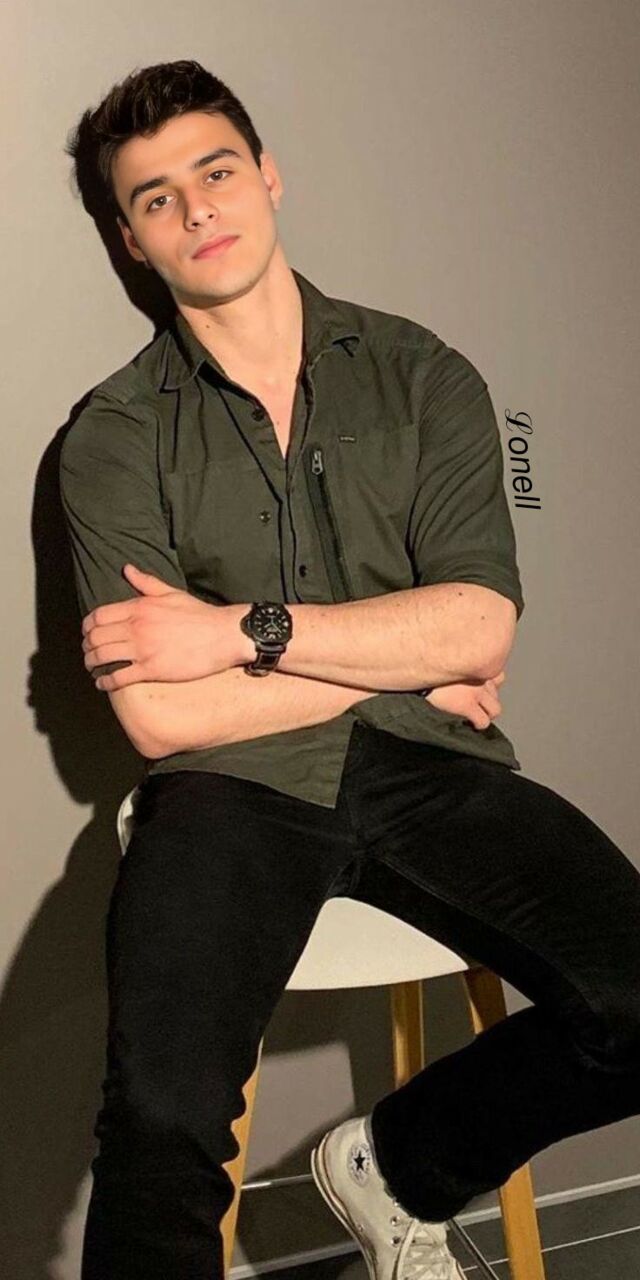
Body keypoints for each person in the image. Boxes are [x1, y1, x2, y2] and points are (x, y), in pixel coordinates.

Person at [60, 59, 640, 1280]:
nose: (197, 209)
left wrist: (238, 630)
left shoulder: (426, 373)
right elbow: (158, 718)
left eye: (217, 171)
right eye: (157, 198)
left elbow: (478, 625)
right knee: (159, 1123)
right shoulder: (112, 434)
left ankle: (401, 1163)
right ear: (130, 238)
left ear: (268, 177)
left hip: (433, 768)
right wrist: (398, 657)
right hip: (228, 785)